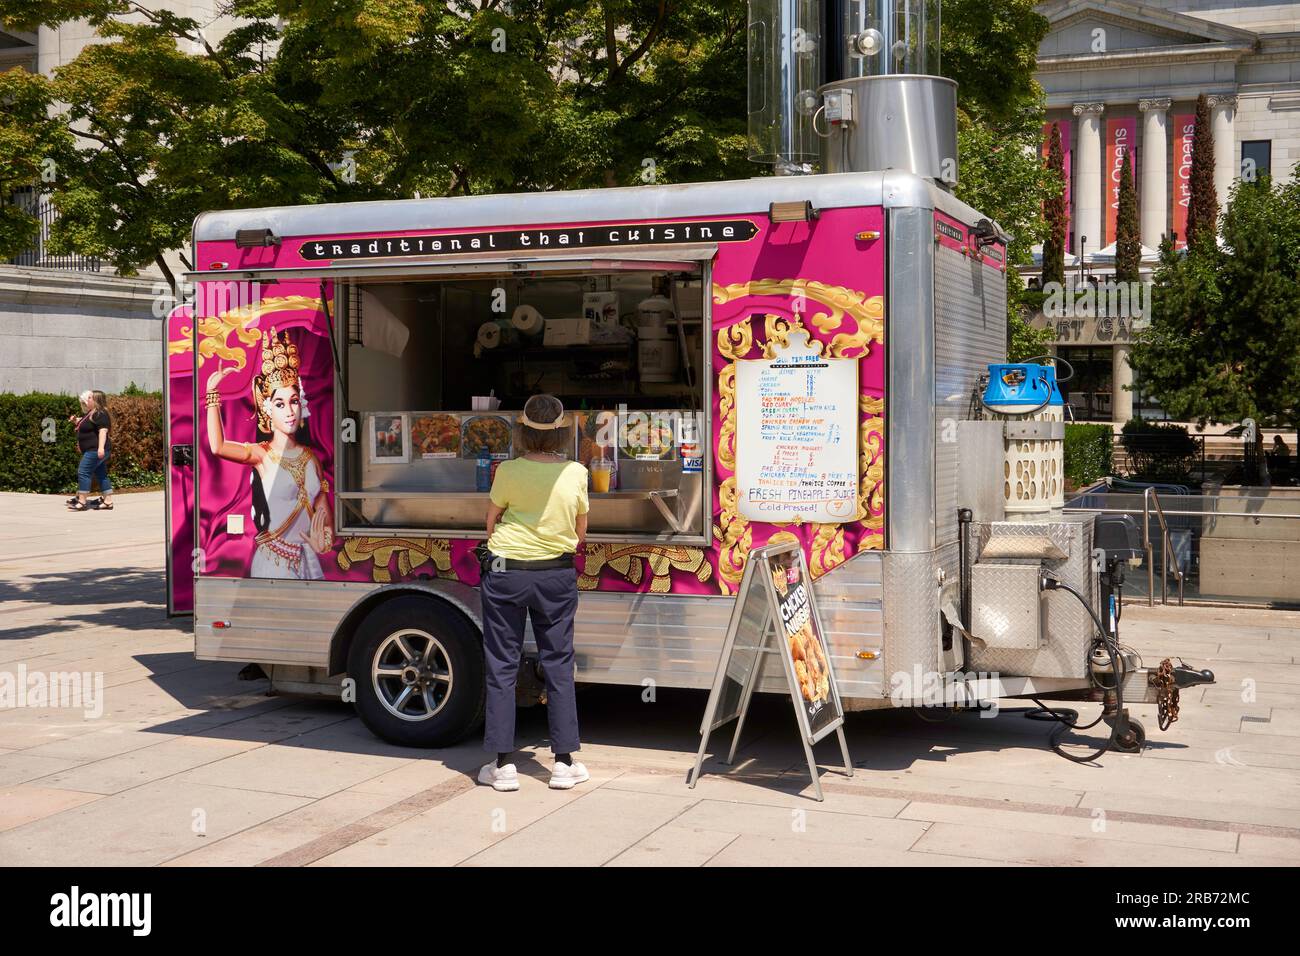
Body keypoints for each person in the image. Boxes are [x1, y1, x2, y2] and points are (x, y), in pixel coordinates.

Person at [478, 393, 590, 792]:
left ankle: (503, 766)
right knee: (558, 664)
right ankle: (563, 763)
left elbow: (490, 524)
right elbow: (580, 533)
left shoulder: (507, 471)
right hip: (555, 577)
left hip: (506, 574)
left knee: (503, 664)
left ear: (523, 433)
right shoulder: (576, 472)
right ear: (562, 434)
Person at [204, 326, 333, 579]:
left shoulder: (311, 458)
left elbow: (323, 513)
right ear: (268, 411)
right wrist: (212, 396)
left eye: (294, 401)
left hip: (309, 561)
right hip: (274, 563)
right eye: (280, 403)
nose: (289, 411)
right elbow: (218, 447)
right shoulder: (262, 455)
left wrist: (324, 540)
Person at [67, 390, 113, 511]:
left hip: (95, 450)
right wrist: (76, 421)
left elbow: (103, 431)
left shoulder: (100, 413)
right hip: (93, 450)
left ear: (97, 400)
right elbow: (87, 425)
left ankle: (82, 502)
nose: (88, 399)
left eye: (90, 397)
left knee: (83, 471)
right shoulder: (91, 413)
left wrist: (101, 448)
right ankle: (108, 501)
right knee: (101, 474)